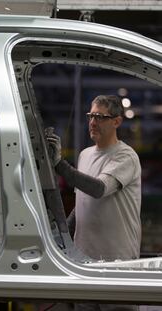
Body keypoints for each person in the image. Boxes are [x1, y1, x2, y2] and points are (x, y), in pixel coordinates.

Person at [46, 95, 141, 311]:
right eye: (91, 116)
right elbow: (83, 204)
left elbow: (98, 189)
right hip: (84, 264)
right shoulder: (85, 155)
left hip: (116, 265)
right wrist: (61, 239)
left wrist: (60, 165)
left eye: (100, 117)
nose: (92, 122)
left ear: (116, 122)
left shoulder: (125, 157)